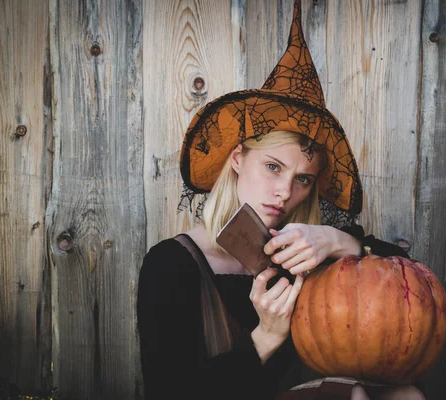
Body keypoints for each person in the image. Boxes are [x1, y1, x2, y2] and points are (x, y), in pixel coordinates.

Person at [137, 1, 425, 399]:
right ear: (238, 159)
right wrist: (267, 335)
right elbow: (170, 392)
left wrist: (343, 243)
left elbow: (414, 287)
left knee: (404, 395)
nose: (286, 193)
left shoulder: (305, 253)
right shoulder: (171, 264)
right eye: (273, 167)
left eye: (302, 179)